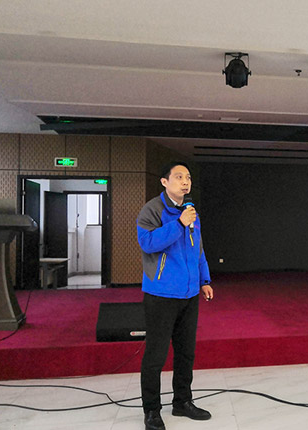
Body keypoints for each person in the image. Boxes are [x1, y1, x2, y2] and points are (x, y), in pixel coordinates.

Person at [136, 161, 213, 430]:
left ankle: (182, 402)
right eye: (179, 177)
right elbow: (148, 243)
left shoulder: (191, 212)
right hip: (161, 294)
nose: (185, 181)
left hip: (189, 294)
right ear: (164, 182)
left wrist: (204, 280)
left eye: (188, 177)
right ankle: (151, 410)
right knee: (155, 356)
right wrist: (179, 224)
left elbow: (198, 249)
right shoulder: (152, 210)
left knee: (185, 353)